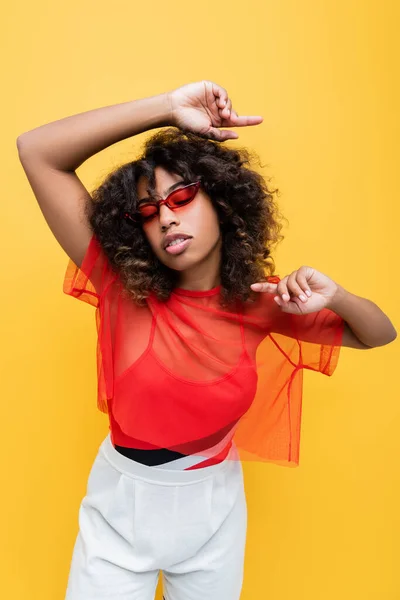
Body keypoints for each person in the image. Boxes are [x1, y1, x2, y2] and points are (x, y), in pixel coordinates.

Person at [17, 80, 397, 600]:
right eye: (148, 212)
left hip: (215, 508)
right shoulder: (120, 284)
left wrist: (337, 295)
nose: (166, 215)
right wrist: (167, 110)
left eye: (181, 197)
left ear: (221, 203)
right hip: (121, 508)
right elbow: (36, 151)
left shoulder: (265, 303)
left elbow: (379, 333)